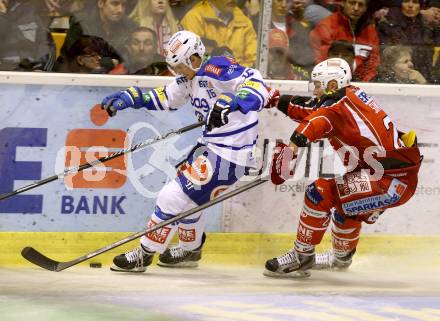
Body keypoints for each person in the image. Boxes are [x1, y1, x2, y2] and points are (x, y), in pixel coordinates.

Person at [100, 30, 270, 272]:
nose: (177, 71)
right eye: (174, 66)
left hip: (230, 154)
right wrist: (133, 97)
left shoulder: (217, 68)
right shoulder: (188, 78)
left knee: (172, 196)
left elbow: (255, 81)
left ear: (195, 57)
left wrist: (235, 99)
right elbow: (167, 98)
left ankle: (144, 253)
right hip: (211, 147)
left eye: (180, 65)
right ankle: (190, 251)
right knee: (189, 202)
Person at [263, 58, 422, 277]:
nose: (314, 89)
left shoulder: (334, 108)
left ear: (332, 85)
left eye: (318, 85)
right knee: (347, 204)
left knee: (319, 193)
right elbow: (312, 110)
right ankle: (341, 258)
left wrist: (289, 151)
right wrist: (275, 99)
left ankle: (301, 256)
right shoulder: (351, 94)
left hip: (389, 182)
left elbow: (313, 122)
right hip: (395, 178)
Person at [309, 0, 380, 81]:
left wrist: (363, 85)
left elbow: (373, 63)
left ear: (365, 8)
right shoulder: (326, 27)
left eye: (360, 5)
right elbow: (321, 62)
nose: (356, 8)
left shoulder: (370, 30)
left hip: (361, 84)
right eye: (352, 3)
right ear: (343, 3)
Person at [181, 0, 257, 67]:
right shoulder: (194, 18)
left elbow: (254, 60)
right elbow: (192, 61)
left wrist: (235, 71)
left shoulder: (244, 21)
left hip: (238, 79)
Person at [61, 0, 138, 59]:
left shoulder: (130, 27)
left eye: (123, 5)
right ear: (100, 3)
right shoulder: (82, 24)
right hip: (85, 75)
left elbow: (131, 61)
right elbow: (67, 59)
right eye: (115, 4)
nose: (120, 10)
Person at [0, 0, 56, 71]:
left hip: (29, 72)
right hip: (3, 72)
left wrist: (40, 69)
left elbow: (45, 44)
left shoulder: (30, 11)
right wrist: (2, 15)